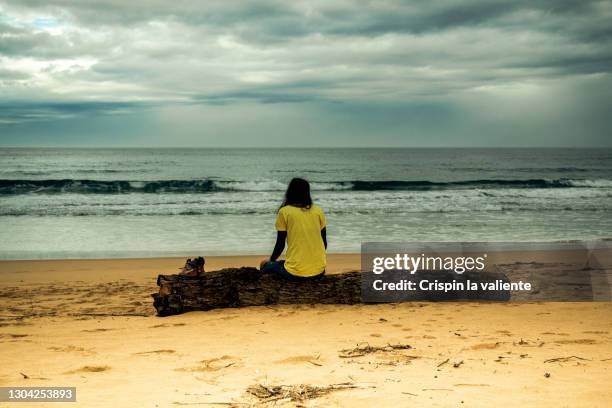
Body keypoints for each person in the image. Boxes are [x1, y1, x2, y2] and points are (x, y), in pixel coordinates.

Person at [259, 178, 327, 281]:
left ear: (290, 192)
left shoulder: (284, 212)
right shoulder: (318, 210)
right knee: (285, 263)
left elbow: (280, 244)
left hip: (295, 273)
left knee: (264, 264)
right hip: (319, 271)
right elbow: (324, 243)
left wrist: (271, 260)